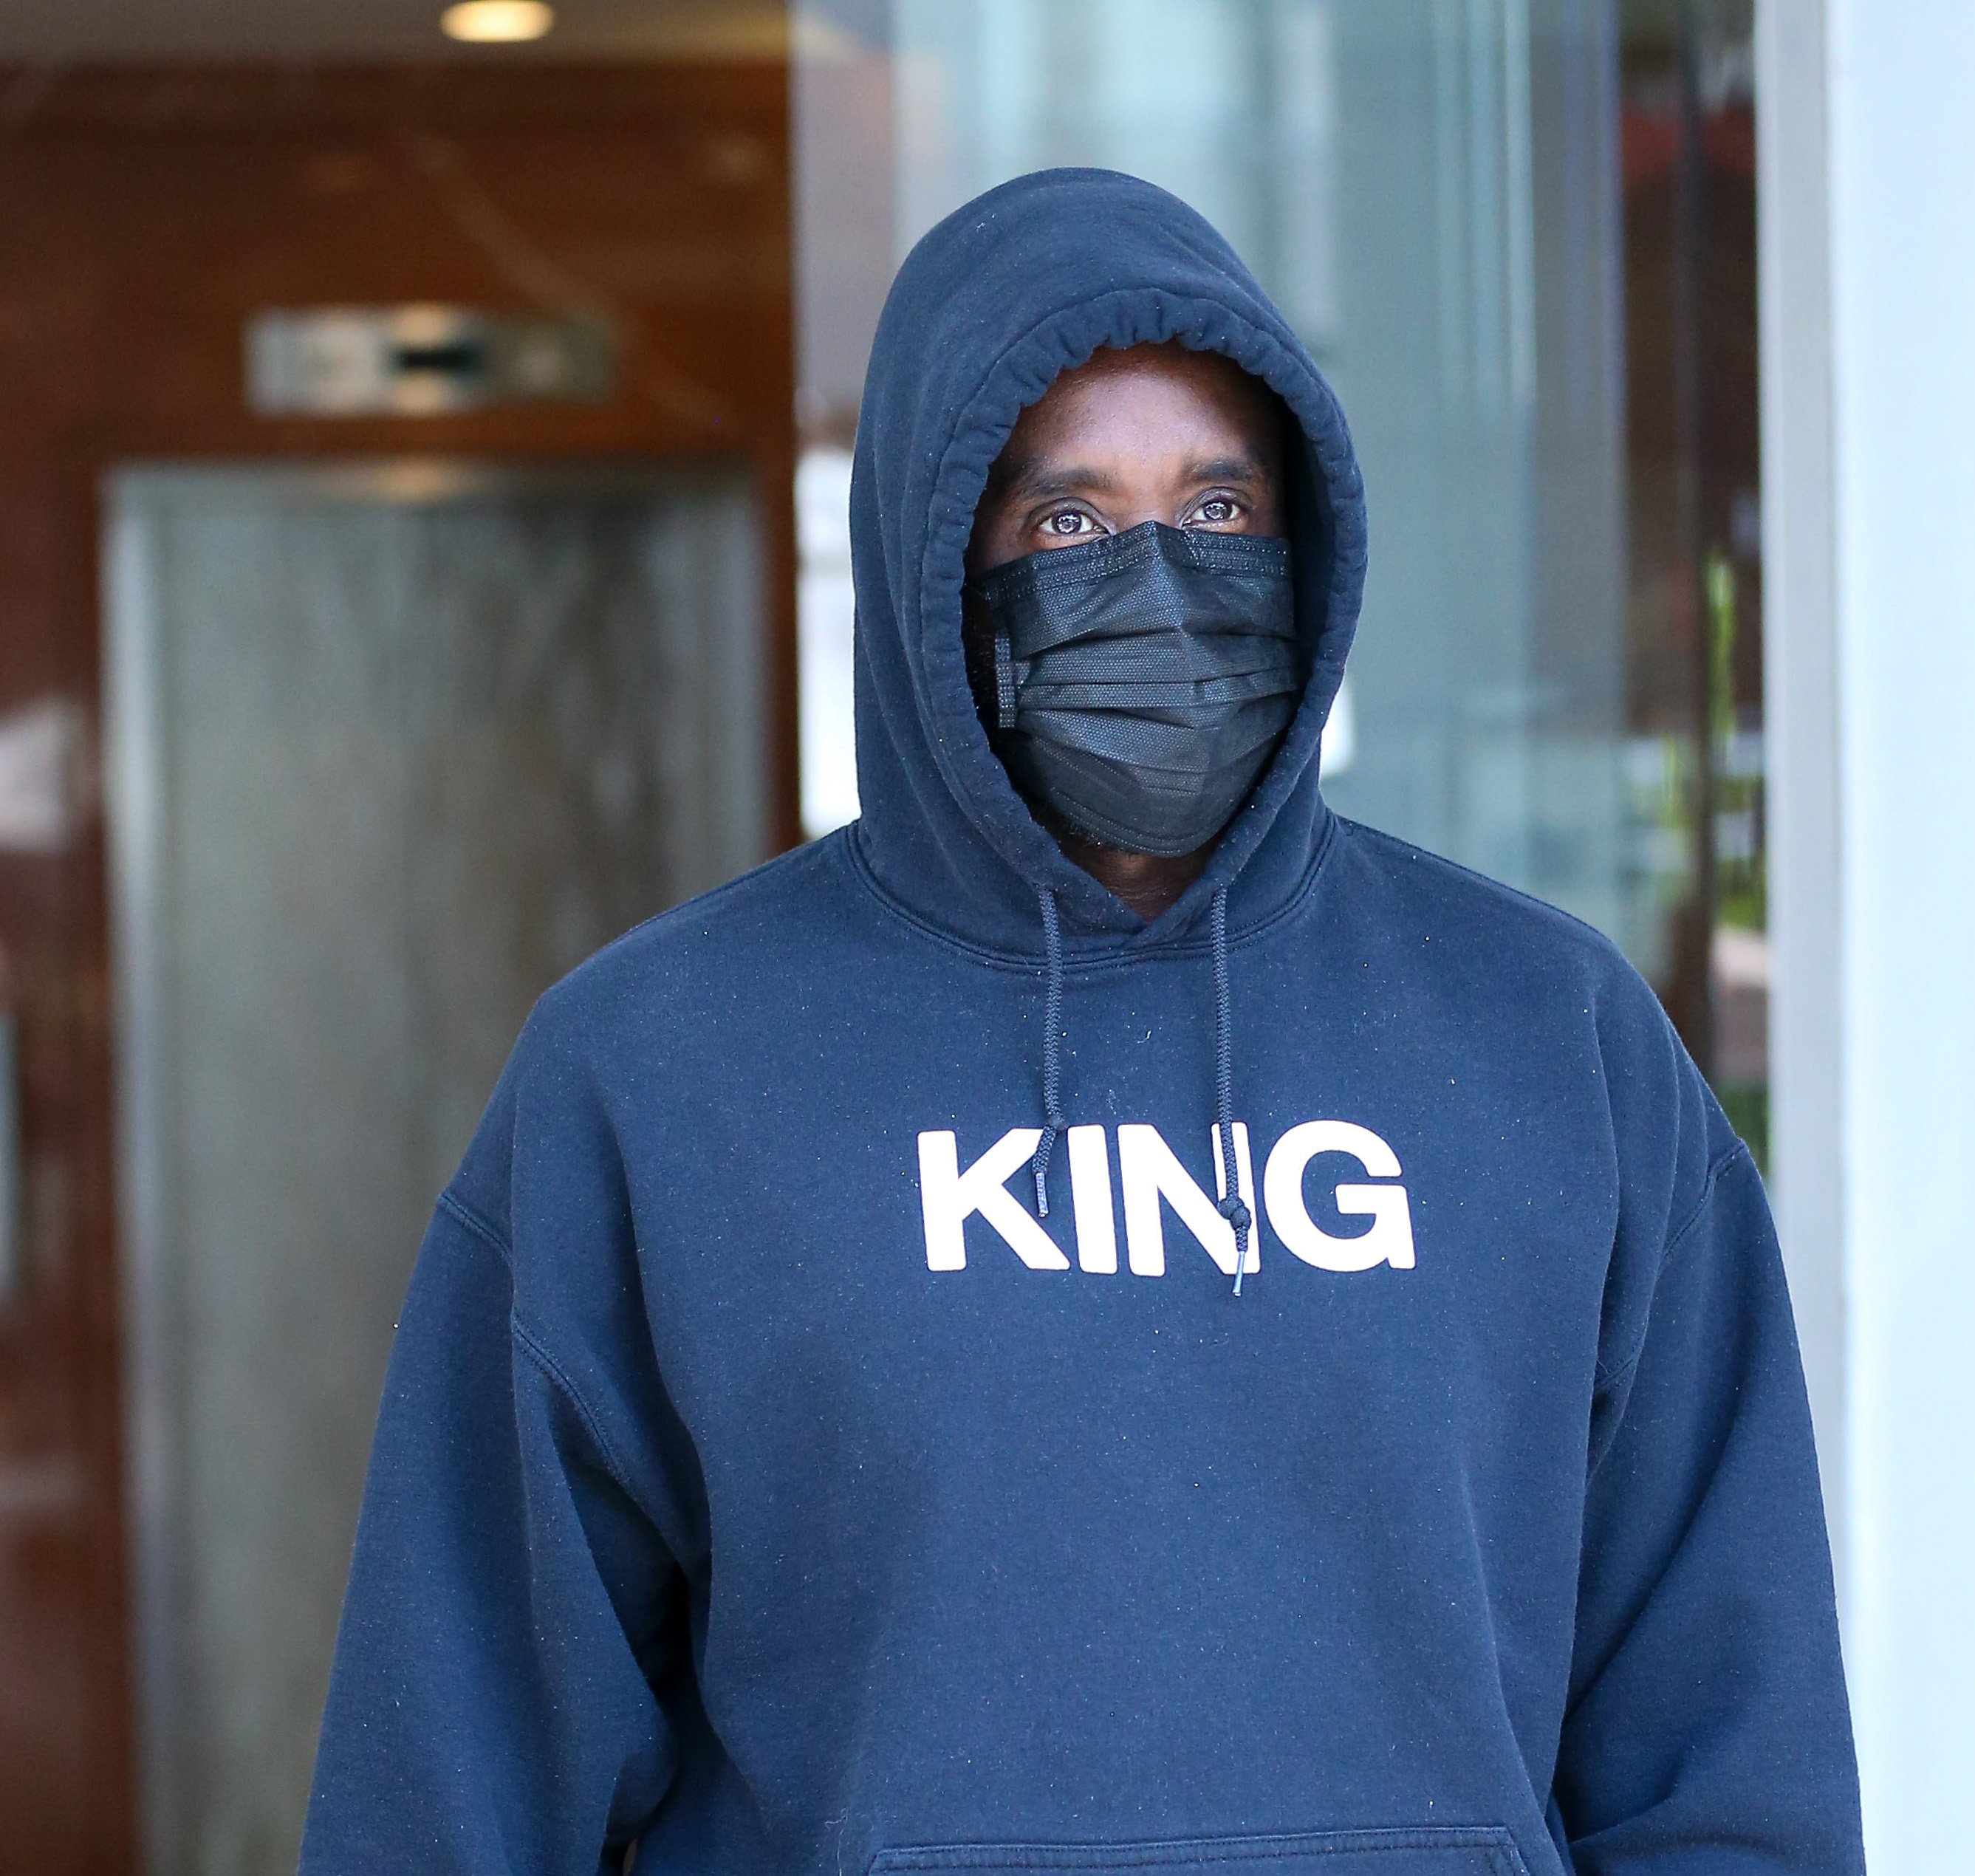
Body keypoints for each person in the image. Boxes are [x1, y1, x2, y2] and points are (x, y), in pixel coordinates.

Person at [300, 170, 1862, 1876]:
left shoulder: (1548, 1044)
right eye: (1064, 524)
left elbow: (1728, 1762)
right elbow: (455, 1786)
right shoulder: (657, 1072)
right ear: (932, 563)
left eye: (1216, 511)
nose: (1157, 584)